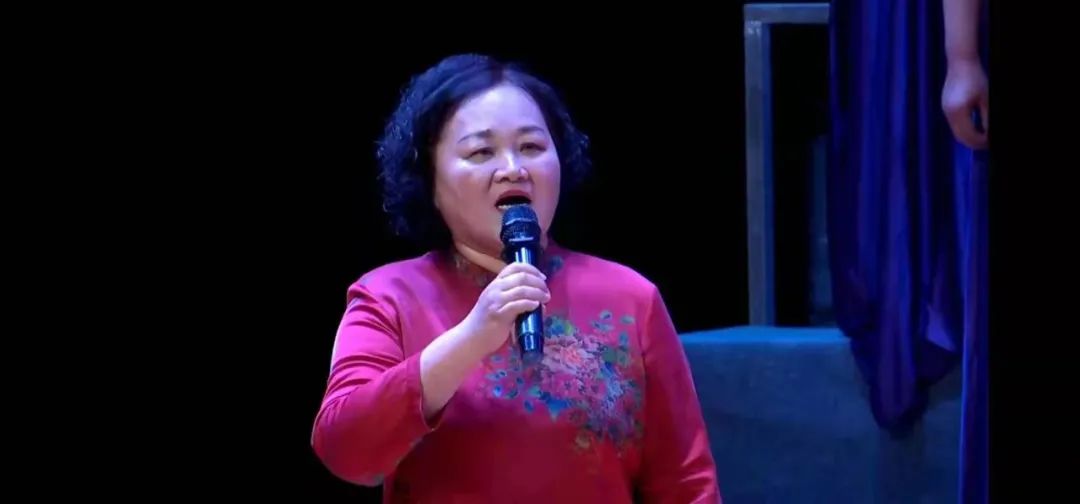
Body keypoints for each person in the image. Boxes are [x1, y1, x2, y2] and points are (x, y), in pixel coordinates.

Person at [310, 53, 721, 502]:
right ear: (429, 180)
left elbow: (686, 484)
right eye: (481, 152)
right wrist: (471, 337)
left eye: (531, 147)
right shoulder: (388, 297)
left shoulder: (630, 298)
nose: (513, 168)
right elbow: (346, 450)